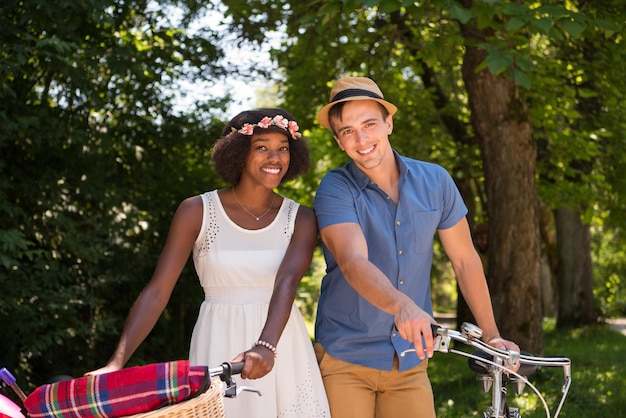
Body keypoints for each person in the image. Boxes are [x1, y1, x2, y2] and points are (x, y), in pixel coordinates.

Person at [87, 109, 330, 417]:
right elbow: (158, 291)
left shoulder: (302, 217)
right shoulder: (197, 211)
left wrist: (265, 347)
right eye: (262, 147)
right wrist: (115, 364)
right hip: (218, 338)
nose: (275, 157)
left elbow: (288, 280)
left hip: (281, 342)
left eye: (283, 148)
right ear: (239, 153)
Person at [312, 76, 520, 418]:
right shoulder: (335, 187)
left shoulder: (435, 181)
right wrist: (402, 306)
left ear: (388, 123)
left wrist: (492, 335)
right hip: (344, 357)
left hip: (409, 360)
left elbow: (465, 261)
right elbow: (352, 260)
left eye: (369, 124)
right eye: (348, 131)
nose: (362, 139)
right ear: (338, 140)